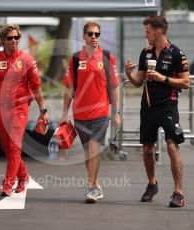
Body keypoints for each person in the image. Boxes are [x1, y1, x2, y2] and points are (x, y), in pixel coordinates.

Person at [124, 15, 190, 208]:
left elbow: (186, 82)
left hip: (168, 105)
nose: (146, 35)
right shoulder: (146, 53)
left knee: (171, 146)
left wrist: (164, 79)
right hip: (148, 106)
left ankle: (178, 192)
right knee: (147, 149)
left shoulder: (177, 53)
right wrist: (129, 73)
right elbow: (138, 82)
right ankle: (152, 184)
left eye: (148, 31)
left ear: (158, 31)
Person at [0, 24, 50, 196]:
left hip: (20, 107)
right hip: (0, 109)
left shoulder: (27, 60)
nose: (14, 41)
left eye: (16, 37)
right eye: (10, 38)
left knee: (14, 145)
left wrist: (43, 109)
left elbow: (36, 87)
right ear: (3, 40)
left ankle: (8, 183)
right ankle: (23, 176)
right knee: (7, 147)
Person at [60, 21, 121, 203]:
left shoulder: (107, 57)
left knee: (94, 148)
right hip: (79, 114)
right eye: (90, 34)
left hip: (101, 112)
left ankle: (92, 187)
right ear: (84, 36)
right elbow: (70, 88)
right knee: (88, 153)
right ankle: (96, 184)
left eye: (97, 34)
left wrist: (116, 112)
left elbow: (115, 87)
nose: (94, 37)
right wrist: (64, 113)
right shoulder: (76, 58)